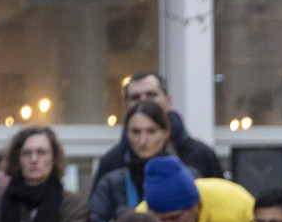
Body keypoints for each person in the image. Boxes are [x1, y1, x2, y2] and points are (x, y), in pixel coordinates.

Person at [92, 71, 224, 187]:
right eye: (135, 97)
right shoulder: (112, 162)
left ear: (168, 101)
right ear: (126, 106)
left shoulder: (201, 155)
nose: (143, 101)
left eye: (151, 95)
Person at [87, 100, 175, 222]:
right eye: (135, 132)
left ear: (166, 132)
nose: (142, 140)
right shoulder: (111, 182)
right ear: (126, 134)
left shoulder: (187, 179)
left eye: (151, 131)